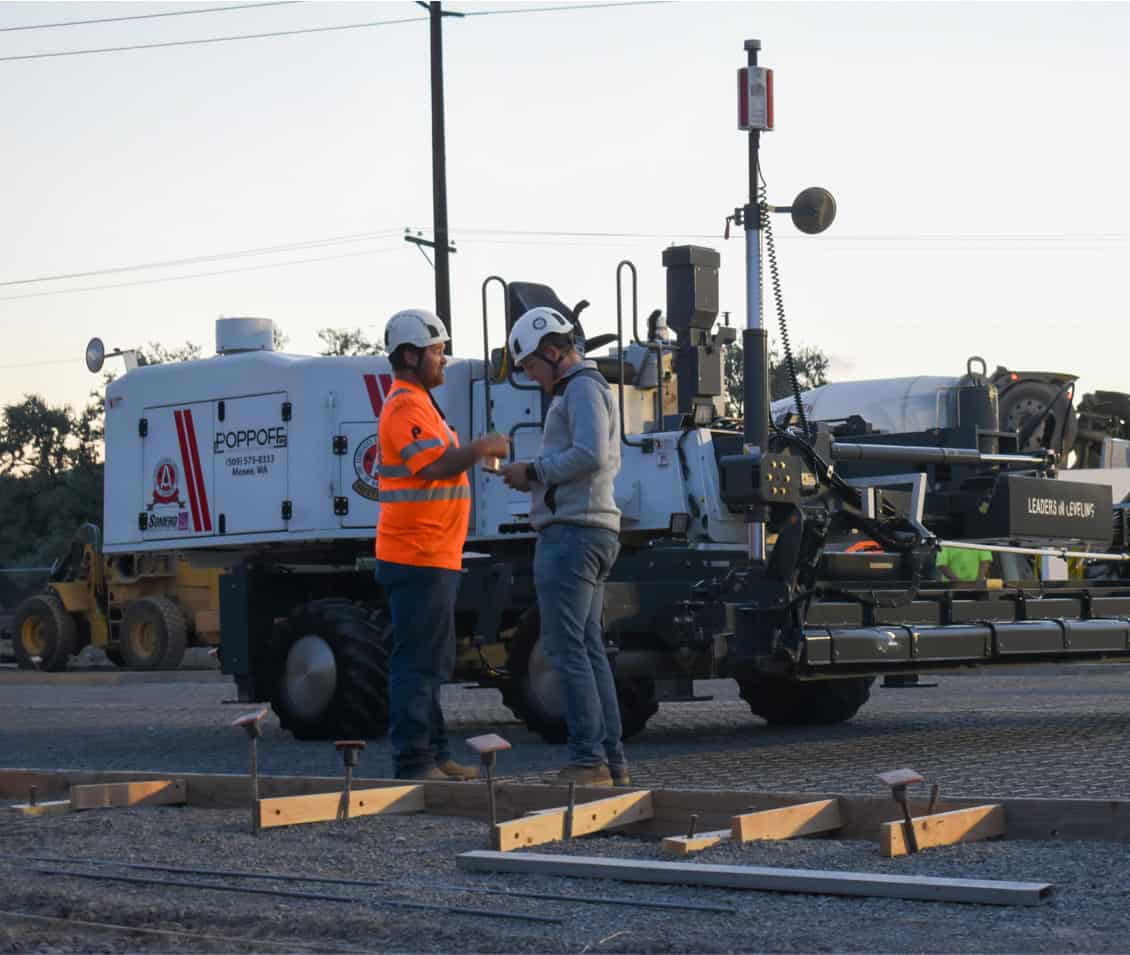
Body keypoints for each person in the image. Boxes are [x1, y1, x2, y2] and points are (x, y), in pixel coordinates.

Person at [375, 308, 509, 781]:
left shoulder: (420, 403)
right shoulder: (405, 407)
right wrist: (481, 447)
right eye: (436, 351)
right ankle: (414, 762)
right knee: (417, 663)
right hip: (417, 555)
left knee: (431, 662)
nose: (444, 359)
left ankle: (434, 756)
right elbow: (431, 466)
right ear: (409, 356)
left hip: (432, 554)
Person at [501, 306, 627, 787]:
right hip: (589, 529)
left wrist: (532, 472)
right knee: (588, 649)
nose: (532, 377)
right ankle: (609, 763)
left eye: (532, 366)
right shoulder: (587, 389)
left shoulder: (580, 389)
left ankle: (587, 762)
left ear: (553, 352)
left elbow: (591, 454)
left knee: (567, 649)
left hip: (573, 532)